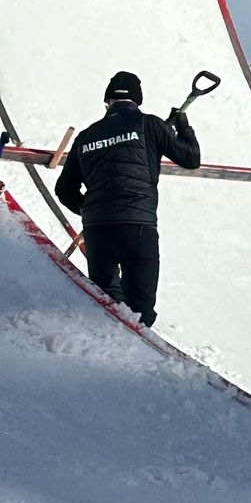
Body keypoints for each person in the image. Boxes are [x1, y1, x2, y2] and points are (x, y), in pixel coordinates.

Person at [55, 71, 201, 326]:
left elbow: (64, 190)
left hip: (98, 228)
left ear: (107, 101)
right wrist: (183, 127)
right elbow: (191, 159)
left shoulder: (86, 136)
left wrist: (92, 210)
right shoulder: (151, 125)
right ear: (137, 100)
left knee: (106, 303)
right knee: (139, 308)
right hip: (137, 225)